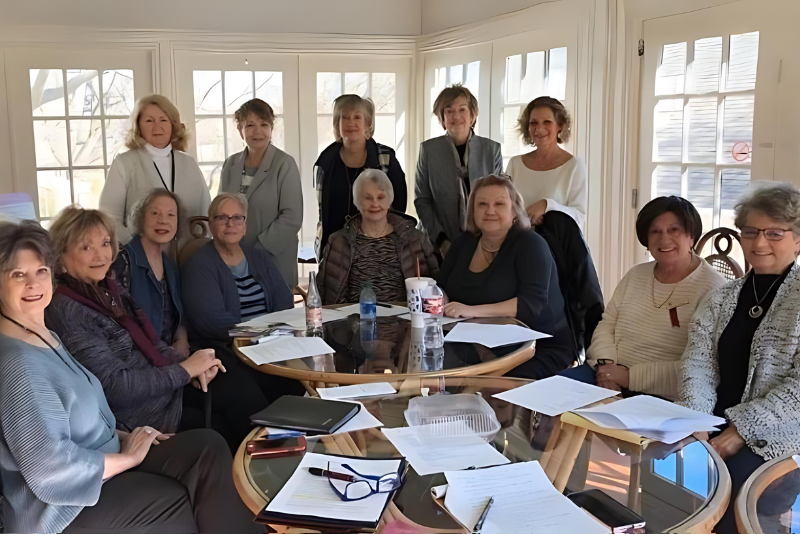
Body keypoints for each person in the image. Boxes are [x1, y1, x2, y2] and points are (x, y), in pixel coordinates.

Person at [0, 220, 261, 534]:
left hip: (105, 461)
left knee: (206, 446)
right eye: (18, 274)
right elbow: (50, 471)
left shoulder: (44, 335)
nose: (34, 283)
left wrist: (134, 436)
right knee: (180, 502)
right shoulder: (17, 365)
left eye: (41, 271)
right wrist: (129, 458)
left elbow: (88, 414)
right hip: (62, 510)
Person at [680, 183, 800, 533]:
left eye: (774, 233)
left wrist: (740, 431)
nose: (759, 243)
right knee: (668, 472)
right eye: (750, 232)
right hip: (712, 425)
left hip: (781, 436)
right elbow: (697, 364)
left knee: (733, 493)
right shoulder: (720, 298)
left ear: (797, 239)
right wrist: (696, 422)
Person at [561, 196, 724, 400]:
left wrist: (629, 378)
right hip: (606, 375)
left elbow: (703, 367)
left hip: (665, 393)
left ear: (692, 236)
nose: (664, 239)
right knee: (548, 394)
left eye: (674, 230)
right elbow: (607, 324)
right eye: (655, 231)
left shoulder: (713, 288)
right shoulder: (636, 275)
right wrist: (607, 369)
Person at [438, 174, 575, 379]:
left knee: (489, 388)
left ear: (514, 211)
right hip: (473, 344)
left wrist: (470, 311)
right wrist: (442, 298)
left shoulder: (531, 244)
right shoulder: (464, 243)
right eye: (482, 204)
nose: (490, 211)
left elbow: (531, 305)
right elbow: (441, 286)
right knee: (434, 374)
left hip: (535, 349)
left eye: (499, 204)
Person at [181, 193, 305, 419]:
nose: (231, 224)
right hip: (226, 352)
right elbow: (211, 322)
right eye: (223, 218)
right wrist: (262, 329)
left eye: (238, 218)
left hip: (267, 344)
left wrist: (268, 333)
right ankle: (262, 447)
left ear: (245, 225)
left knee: (298, 384)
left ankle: (293, 444)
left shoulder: (257, 257)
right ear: (211, 223)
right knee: (254, 400)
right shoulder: (200, 264)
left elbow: (283, 300)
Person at [100, 94, 211, 244]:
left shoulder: (189, 163)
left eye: (163, 120)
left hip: (188, 256)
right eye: (149, 121)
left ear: (173, 125)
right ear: (138, 126)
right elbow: (109, 217)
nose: (157, 127)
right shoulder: (124, 163)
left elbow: (205, 213)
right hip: (141, 259)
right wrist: (136, 248)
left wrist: (198, 247)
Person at [317, 169, 438, 305]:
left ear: (390, 200)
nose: (375, 204)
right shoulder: (338, 242)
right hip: (353, 322)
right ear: (357, 202)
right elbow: (323, 294)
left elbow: (435, 289)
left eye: (380, 197)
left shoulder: (415, 240)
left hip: (406, 321)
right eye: (367, 198)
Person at [219, 98, 303, 287]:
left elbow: (292, 217)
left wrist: (256, 251)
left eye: (263, 124)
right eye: (250, 125)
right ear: (240, 130)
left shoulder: (284, 164)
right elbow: (220, 211)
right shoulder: (230, 165)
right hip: (234, 258)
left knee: (277, 315)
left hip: (274, 259)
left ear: (271, 128)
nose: (257, 131)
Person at [415, 85, 502, 257]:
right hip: (437, 244)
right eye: (449, 111)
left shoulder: (492, 150)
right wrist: (441, 242)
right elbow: (422, 200)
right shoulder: (428, 150)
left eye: (462, 109)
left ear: (472, 116)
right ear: (442, 119)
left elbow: (500, 198)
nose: (456, 116)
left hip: (484, 244)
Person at [314, 94, 406, 255]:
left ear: (367, 122)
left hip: (377, 248)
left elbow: (399, 206)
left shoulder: (385, 158)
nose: (351, 123)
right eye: (345, 117)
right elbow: (323, 214)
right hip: (335, 251)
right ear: (337, 124)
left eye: (357, 117)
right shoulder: (325, 162)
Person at [111, 189, 189, 357]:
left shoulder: (170, 265)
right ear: (141, 218)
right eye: (155, 213)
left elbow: (178, 315)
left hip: (169, 357)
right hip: (140, 360)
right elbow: (119, 327)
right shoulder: (123, 260)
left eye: (171, 215)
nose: (163, 221)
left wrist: (182, 339)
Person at [505, 97, 587, 231]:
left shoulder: (574, 166)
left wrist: (547, 205)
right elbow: (504, 209)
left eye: (547, 122)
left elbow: (578, 217)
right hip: (518, 245)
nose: (539, 129)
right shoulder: (515, 164)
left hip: (556, 249)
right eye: (533, 123)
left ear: (560, 125)